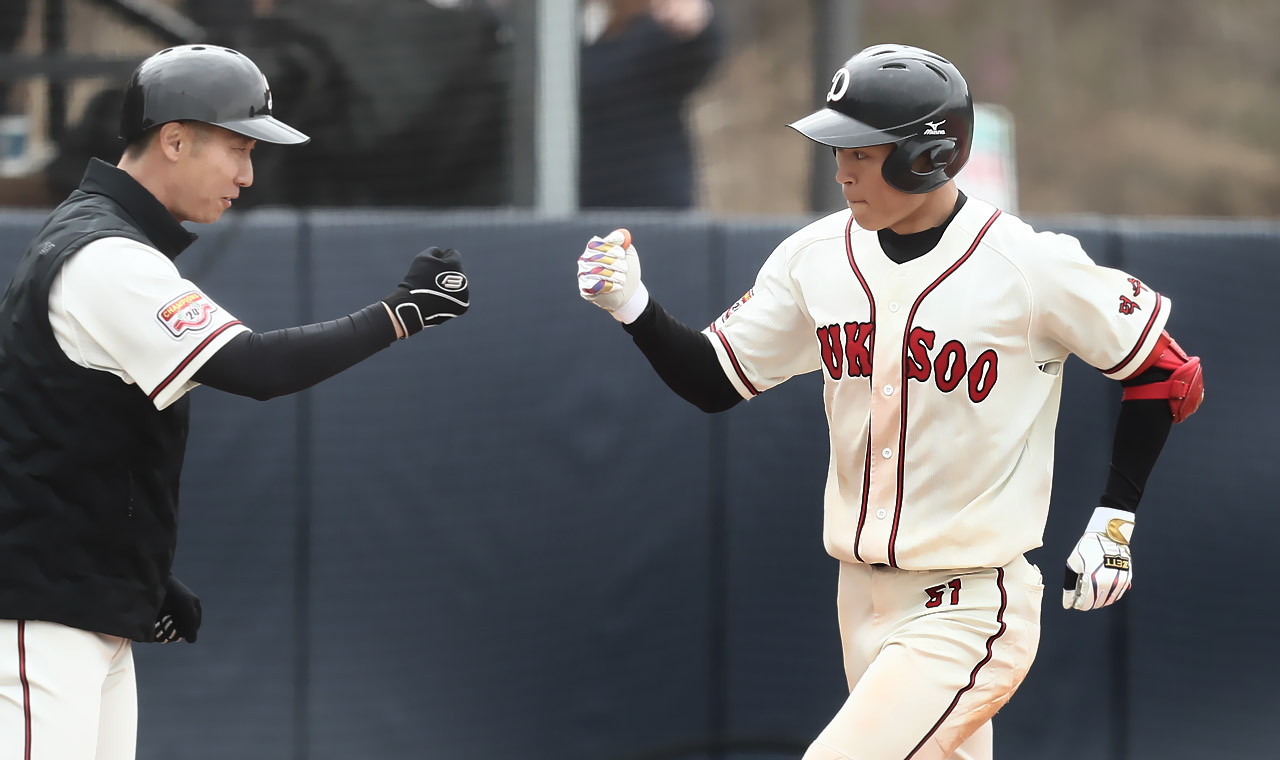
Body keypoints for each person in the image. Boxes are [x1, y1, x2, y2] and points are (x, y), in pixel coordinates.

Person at [575, 44, 1203, 760]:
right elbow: (716, 380)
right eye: (837, 150)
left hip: (970, 604)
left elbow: (1168, 373)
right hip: (861, 599)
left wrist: (1115, 520)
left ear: (929, 156)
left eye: (862, 153)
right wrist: (634, 306)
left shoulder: (1027, 263)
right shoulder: (814, 256)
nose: (841, 170)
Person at [0, 44, 469, 760]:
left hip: (77, 605)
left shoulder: (101, 239)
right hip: (40, 619)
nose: (248, 175)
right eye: (238, 149)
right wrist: (399, 314)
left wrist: (135, 568)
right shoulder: (105, 255)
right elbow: (254, 367)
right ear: (174, 139)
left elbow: (61, 434)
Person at [579, 0, 721, 208]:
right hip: (583, 207)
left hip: (653, 205)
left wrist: (698, 19)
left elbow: (700, 49)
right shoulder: (574, 42)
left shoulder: (657, 35)